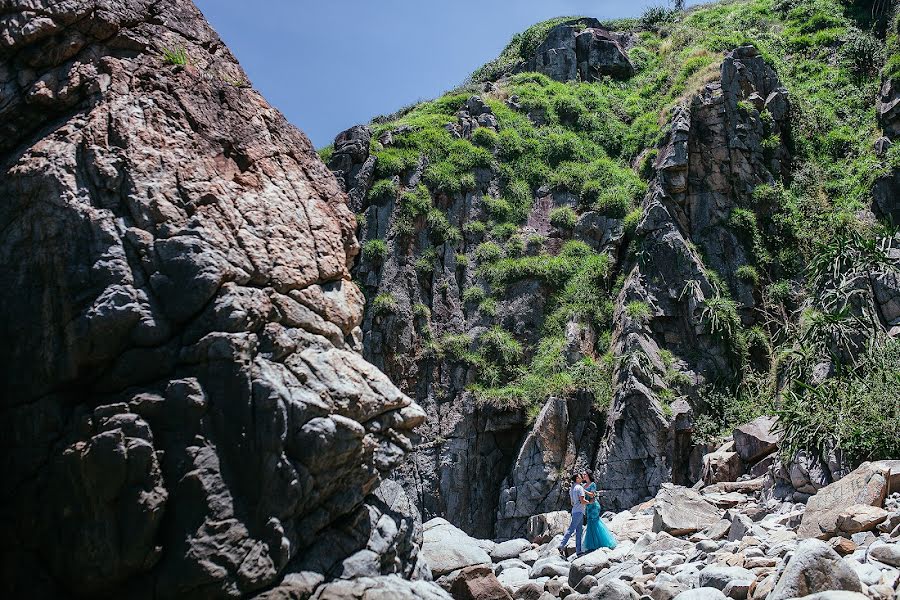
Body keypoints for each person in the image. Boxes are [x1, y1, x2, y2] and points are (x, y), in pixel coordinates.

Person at [582, 470, 617, 551]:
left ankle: (602, 542)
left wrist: (584, 491)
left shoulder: (592, 484)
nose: (583, 475)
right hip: (588, 506)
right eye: (583, 474)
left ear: (588, 475)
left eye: (585, 474)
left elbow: (592, 494)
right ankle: (594, 544)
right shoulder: (584, 485)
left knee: (595, 522)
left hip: (594, 506)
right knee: (590, 523)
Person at [558, 471, 588, 557]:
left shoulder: (572, 488)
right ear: (577, 479)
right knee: (572, 529)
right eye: (580, 476)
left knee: (579, 531)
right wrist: (590, 502)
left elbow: (572, 502)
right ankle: (561, 545)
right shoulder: (580, 488)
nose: (582, 477)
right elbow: (582, 501)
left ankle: (579, 551)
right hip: (579, 511)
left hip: (575, 510)